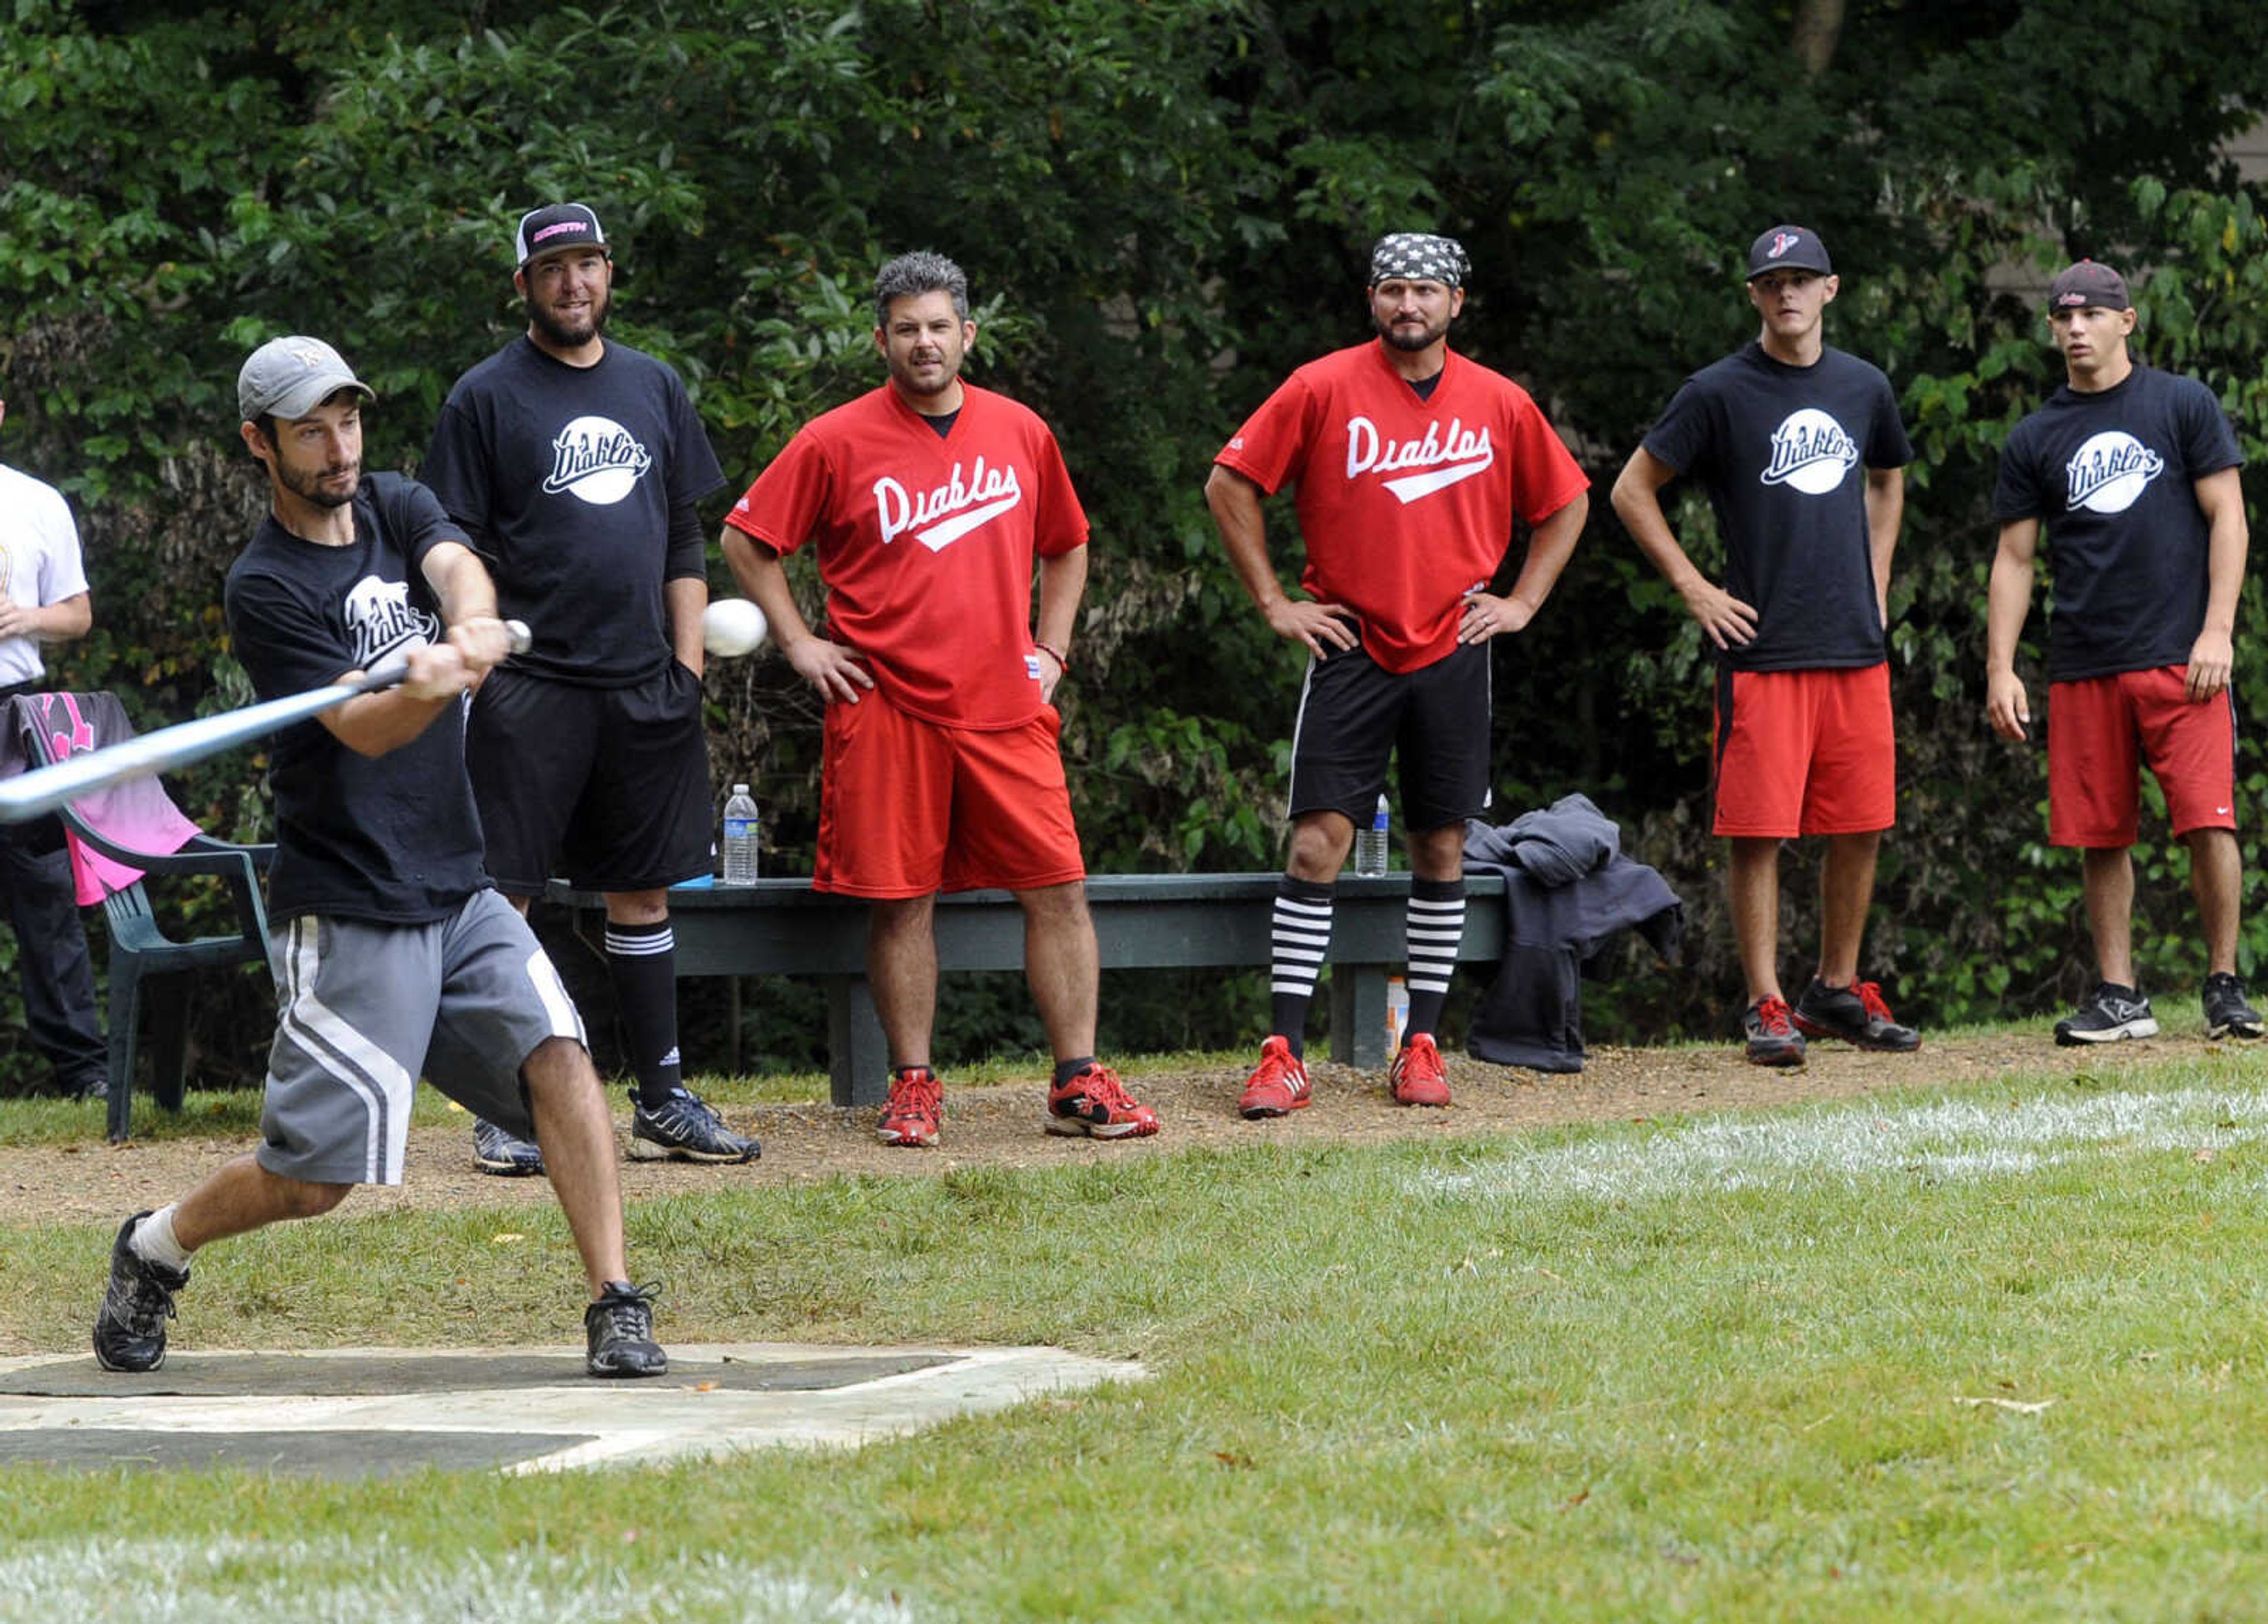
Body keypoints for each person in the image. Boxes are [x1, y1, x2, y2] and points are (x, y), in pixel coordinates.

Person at [92, 337, 665, 1377]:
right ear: (258, 444)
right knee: (315, 1182)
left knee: (561, 1057)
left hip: (459, 883)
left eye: (347, 420)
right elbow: (365, 732)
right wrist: (427, 683)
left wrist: (475, 625)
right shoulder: (263, 587)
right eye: (310, 428)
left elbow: (454, 561)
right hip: (353, 898)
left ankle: (615, 1301)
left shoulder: (397, 506)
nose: (338, 445)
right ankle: (154, 1246)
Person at [719, 250, 1158, 1148]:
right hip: (886, 703)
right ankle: (914, 1084)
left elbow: (1068, 544)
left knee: (1059, 888)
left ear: (970, 332)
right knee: (902, 900)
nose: (925, 343)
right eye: (907, 329)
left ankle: (1078, 1080)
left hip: (1004, 702)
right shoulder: (834, 438)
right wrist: (800, 641)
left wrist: (1055, 649)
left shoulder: (1021, 431)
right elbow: (747, 537)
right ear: (882, 338)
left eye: (940, 326)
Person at [1205, 231, 1591, 1114]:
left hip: (1455, 646)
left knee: (1441, 842)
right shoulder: (1322, 386)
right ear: (1371, 301)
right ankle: (1284, 1050)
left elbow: (1566, 501)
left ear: (1458, 303)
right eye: (1392, 290)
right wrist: (1275, 602)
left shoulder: (1497, 401)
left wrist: (1523, 602)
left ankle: (1421, 1042)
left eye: (1425, 291)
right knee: (1316, 843)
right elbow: (1230, 483)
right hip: (1351, 642)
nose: (1408, 305)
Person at [421, 203, 756, 1172]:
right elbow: (451, 544)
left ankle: (662, 1100)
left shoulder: (652, 384)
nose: (575, 284)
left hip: (643, 688)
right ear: (523, 285)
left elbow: (685, 534)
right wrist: (476, 654)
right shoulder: (484, 398)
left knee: (644, 896)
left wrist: (684, 669)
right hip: (530, 691)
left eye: (590, 264)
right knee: (506, 903)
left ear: (611, 274)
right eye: (555, 268)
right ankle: (503, 1107)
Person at [1611, 224, 1920, 1067]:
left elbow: (1888, 477)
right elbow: (1632, 490)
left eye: (1802, 279)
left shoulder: (1863, 386)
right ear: (1753, 294)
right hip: (1763, 645)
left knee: (1862, 821)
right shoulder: (1718, 391)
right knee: (1760, 829)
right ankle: (1766, 1001)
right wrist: (1695, 587)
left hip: (1853, 642)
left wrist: (1878, 580)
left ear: (1831, 289)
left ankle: (1835, 987)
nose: (1787, 293)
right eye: (1771, 281)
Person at [1986, 259, 2259, 1045]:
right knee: (2099, 834)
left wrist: (2218, 628)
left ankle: (2224, 985)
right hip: (2083, 663)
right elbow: (2014, 558)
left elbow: (2229, 518)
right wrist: (2001, 666)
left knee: (2209, 821)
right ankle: (2119, 995)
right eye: (2063, 318)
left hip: (2182, 657)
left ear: (2126, 322)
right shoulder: (2037, 434)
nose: (2075, 328)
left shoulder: (2180, 404)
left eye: (2092, 315)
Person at [0, 395, 107, 1103]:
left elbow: (78, 613)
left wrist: (23, 616)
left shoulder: (35, 502)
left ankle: (85, 1073)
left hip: (14, 718)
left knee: (44, 898)